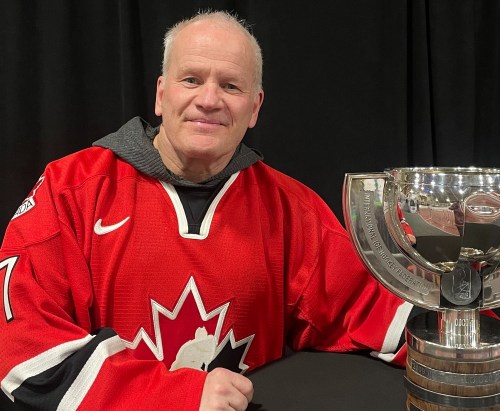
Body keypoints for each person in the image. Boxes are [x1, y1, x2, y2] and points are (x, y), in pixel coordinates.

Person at [0, 11, 414, 410]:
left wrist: (465, 310)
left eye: (231, 86)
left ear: (254, 107)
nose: (209, 99)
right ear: (162, 94)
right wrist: (169, 398)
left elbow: (368, 310)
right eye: (192, 80)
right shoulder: (71, 188)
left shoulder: (292, 209)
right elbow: (21, 344)